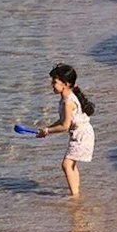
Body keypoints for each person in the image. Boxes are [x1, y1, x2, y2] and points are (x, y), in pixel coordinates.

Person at [32, 63, 96, 197]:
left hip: (82, 135)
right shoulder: (65, 99)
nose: (52, 85)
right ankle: (76, 191)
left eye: (54, 82)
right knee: (71, 164)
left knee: (66, 164)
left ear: (65, 84)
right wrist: (47, 129)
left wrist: (49, 131)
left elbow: (65, 126)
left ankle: (75, 197)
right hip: (80, 134)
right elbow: (62, 121)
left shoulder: (68, 102)